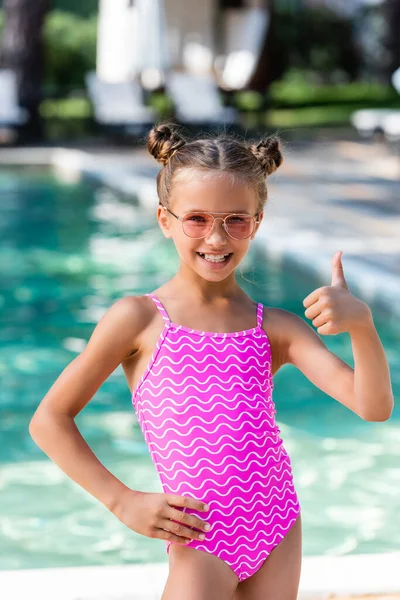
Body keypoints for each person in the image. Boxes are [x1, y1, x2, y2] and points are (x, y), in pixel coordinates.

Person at [29, 123, 394, 600]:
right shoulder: (138, 318)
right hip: (199, 533)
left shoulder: (275, 328)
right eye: (197, 218)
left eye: (235, 220)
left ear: (257, 221)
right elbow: (49, 420)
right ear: (165, 219)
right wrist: (122, 501)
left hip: (277, 521)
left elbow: (372, 407)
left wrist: (363, 326)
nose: (217, 238)